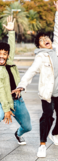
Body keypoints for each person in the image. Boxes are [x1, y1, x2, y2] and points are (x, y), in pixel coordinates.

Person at [12, 1, 58, 158]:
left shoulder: (57, 48)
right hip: (48, 94)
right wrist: (21, 86)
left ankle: (55, 133)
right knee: (47, 117)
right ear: (39, 45)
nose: (46, 39)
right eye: (42, 39)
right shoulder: (40, 57)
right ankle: (42, 144)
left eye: (46, 37)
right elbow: (30, 72)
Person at [0, 16, 32, 145]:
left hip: (17, 101)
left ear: (7, 55)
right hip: (3, 102)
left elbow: (11, 46)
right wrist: (6, 109)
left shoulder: (10, 62)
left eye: (4, 54)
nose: (1, 56)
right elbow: (1, 91)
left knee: (27, 127)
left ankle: (18, 134)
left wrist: (11, 31)